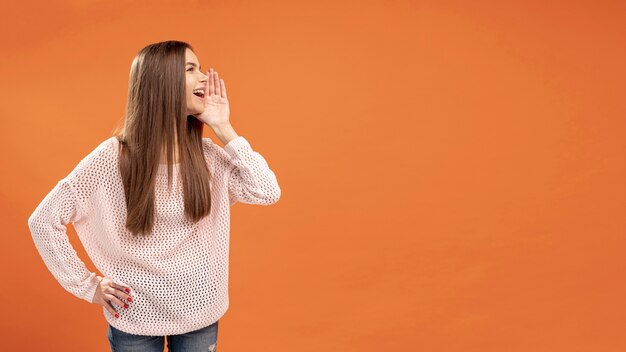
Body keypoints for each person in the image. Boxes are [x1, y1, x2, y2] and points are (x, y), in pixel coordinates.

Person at [27, 40, 281, 352]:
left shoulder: (208, 156)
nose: (205, 77)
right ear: (161, 84)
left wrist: (224, 128)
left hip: (200, 309)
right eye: (191, 69)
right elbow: (43, 220)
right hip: (135, 312)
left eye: (200, 67)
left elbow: (266, 191)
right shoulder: (111, 159)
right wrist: (87, 287)